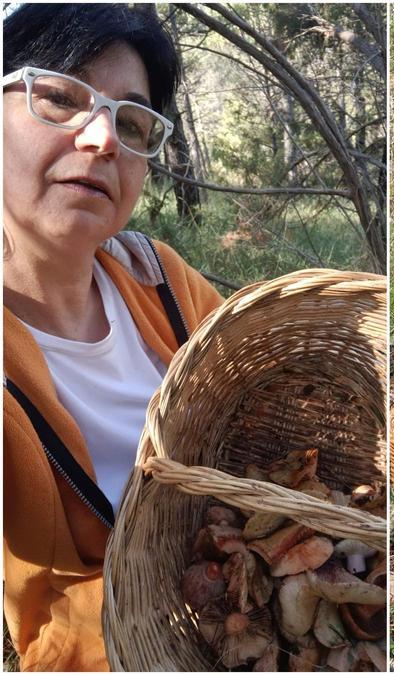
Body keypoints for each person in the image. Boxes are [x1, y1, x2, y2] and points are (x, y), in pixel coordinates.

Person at [3, 5, 224, 670]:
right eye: (61, 98)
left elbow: (261, 394)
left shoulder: (162, 282)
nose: (102, 138)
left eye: (132, 122)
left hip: (232, 594)